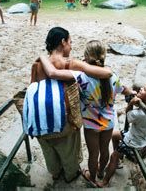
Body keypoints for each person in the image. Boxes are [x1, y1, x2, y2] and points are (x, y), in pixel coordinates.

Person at [39, 40, 136, 187]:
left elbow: (54, 74)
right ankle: (101, 173)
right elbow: (124, 90)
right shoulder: (113, 76)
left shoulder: (81, 76)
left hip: (91, 123)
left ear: (86, 56)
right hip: (108, 121)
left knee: (93, 154)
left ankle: (92, 176)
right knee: (104, 151)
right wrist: (133, 93)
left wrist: (42, 57)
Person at [29, 27, 114, 184]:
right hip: (65, 118)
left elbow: (33, 89)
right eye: (70, 42)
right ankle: (70, 176)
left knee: (49, 149)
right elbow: (105, 73)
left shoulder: (37, 64)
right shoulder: (71, 63)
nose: (71, 46)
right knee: (68, 149)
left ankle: (55, 173)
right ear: (63, 42)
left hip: (43, 119)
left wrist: (42, 57)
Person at [97, 82, 146, 188]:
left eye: (144, 89)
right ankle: (119, 159)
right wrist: (141, 98)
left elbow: (128, 116)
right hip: (142, 136)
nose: (141, 88)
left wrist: (131, 103)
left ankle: (105, 181)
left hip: (134, 140)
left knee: (113, 156)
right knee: (114, 135)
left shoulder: (140, 115)